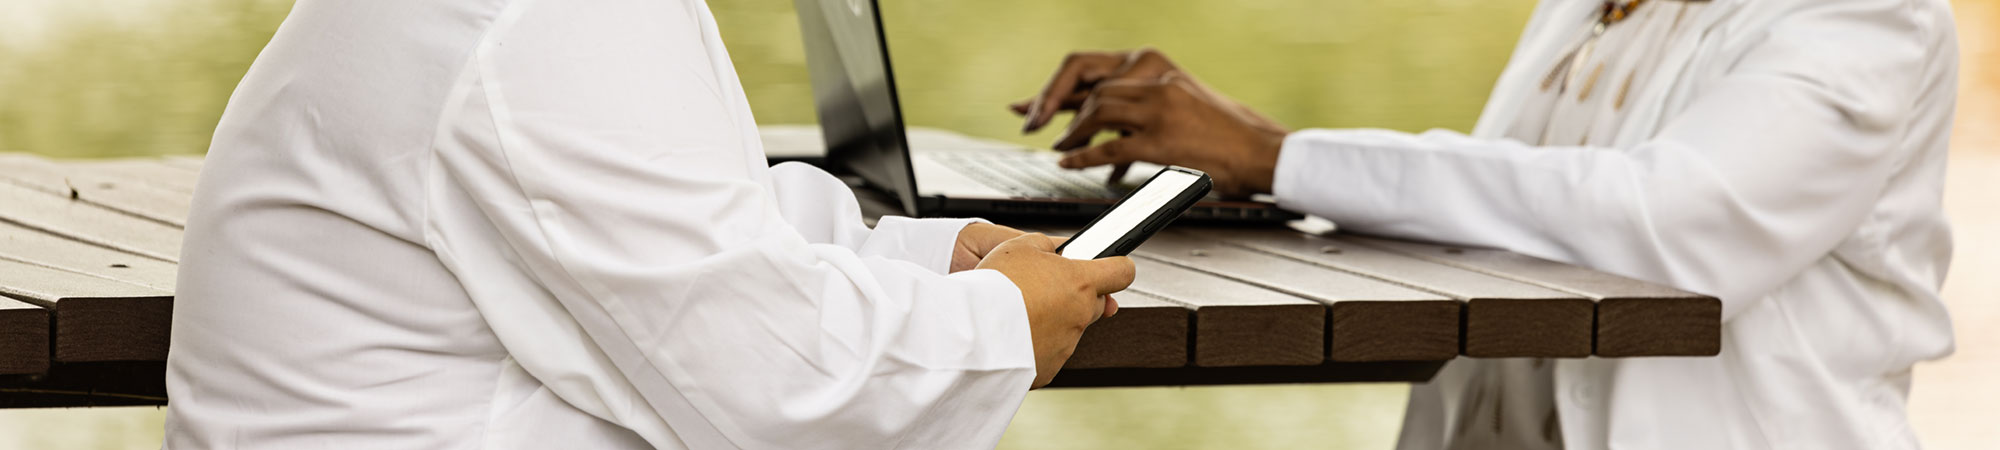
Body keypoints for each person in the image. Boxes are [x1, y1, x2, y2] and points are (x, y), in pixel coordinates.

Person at [164, 0, 1136, 448]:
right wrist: (997, 325)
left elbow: (677, 241)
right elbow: (773, 386)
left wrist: (928, 259)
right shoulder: (551, 21)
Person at [1013, 0, 1957, 448]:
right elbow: (1513, 211)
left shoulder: (1865, 15)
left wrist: (1278, 154)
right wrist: (1231, 160)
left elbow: (1666, 226)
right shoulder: (1587, 8)